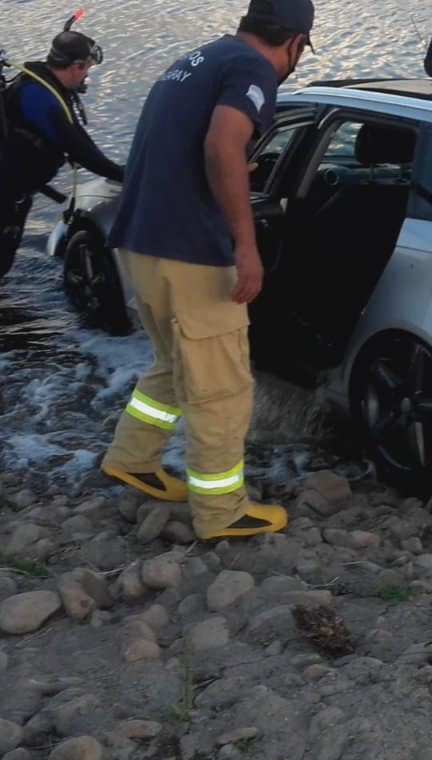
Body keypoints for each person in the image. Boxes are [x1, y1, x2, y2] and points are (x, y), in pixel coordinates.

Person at [99, 0, 315, 540]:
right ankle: (222, 513)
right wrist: (246, 244)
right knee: (222, 388)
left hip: (138, 241)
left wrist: (231, 168)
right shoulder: (253, 69)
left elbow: (185, 148)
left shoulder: (198, 59)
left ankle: (132, 457)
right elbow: (220, 145)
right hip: (190, 250)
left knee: (174, 363)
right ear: (294, 43)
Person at [0, 29, 125, 308]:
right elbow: (85, 153)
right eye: (87, 69)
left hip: (5, 187)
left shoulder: (42, 83)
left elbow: (79, 140)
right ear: (76, 65)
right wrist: (129, 176)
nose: (86, 76)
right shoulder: (43, 100)